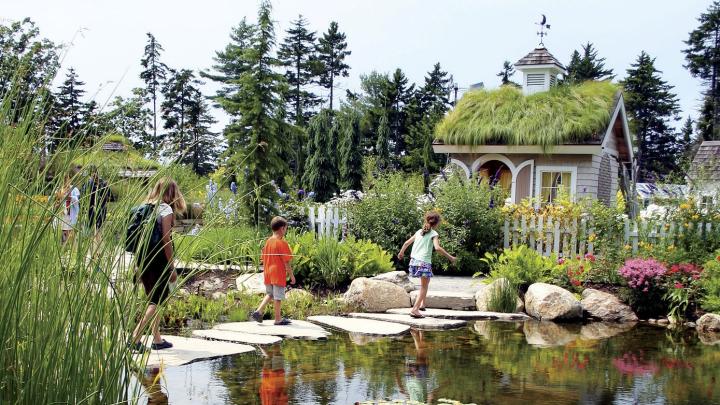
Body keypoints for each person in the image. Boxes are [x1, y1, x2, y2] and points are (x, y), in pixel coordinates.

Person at [130, 177, 186, 352]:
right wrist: (171, 266)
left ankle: (157, 339)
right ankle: (135, 338)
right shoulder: (165, 209)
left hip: (143, 258)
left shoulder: (142, 207)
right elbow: (166, 240)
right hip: (158, 259)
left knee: (153, 299)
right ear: (171, 192)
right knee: (157, 300)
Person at [398, 211, 456, 318]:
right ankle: (415, 309)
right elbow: (437, 248)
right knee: (424, 287)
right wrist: (451, 257)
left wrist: (401, 252)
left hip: (414, 261)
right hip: (424, 262)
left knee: (426, 282)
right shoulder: (434, 234)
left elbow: (406, 243)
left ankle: (422, 304)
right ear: (437, 223)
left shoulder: (419, 231)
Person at [250, 216, 295, 325]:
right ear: (282, 228)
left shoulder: (268, 241)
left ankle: (258, 311)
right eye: (286, 229)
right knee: (278, 297)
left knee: (270, 294)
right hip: (278, 273)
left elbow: (263, 258)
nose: (285, 231)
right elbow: (286, 262)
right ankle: (278, 319)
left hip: (268, 273)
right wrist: (292, 276)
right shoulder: (282, 243)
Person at [82, 166, 110, 240]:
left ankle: (92, 249)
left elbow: (83, 198)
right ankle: (98, 249)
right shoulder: (104, 183)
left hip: (90, 211)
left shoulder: (87, 184)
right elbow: (109, 198)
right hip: (102, 210)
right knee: (99, 231)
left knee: (90, 231)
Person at [56, 174, 80, 246]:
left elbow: (77, 200)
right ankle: (62, 248)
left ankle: (74, 249)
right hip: (63, 213)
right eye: (64, 180)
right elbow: (56, 200)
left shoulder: (74, 189)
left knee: (71, 232)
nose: (66, 182)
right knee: (64, 232)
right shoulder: (59, 189)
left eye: (67, 180)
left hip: (72, 213)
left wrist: (69, 196)